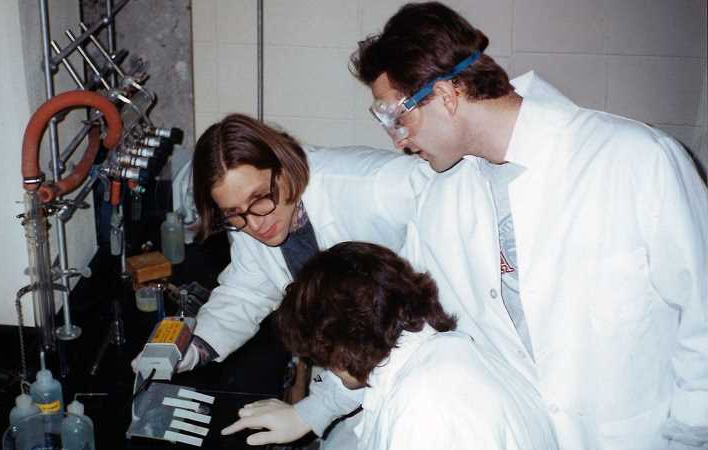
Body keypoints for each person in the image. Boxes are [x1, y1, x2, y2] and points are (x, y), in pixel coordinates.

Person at [349, 2, 708, 449]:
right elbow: (421, 331)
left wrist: (689, 439)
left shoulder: (636, 160)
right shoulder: (439, 203)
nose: (399, 141)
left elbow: (703, 317)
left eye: (396, 116)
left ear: (445, 95)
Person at [163, 113, 433, 446]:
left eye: (259, 198)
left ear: (284, 164)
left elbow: (428, 310)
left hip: (423, 378)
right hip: (360, 376)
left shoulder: (378, 187)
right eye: (233, 214)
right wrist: (195, 346)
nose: (255, 224)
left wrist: (317, 409)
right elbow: (249, 288)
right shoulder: (253, 217)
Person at [222, 242, 560, 449]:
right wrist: (305, 414)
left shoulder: (425, 412)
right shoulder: (442, 352)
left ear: (340, 350)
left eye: (322, 358)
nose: (328, 370)